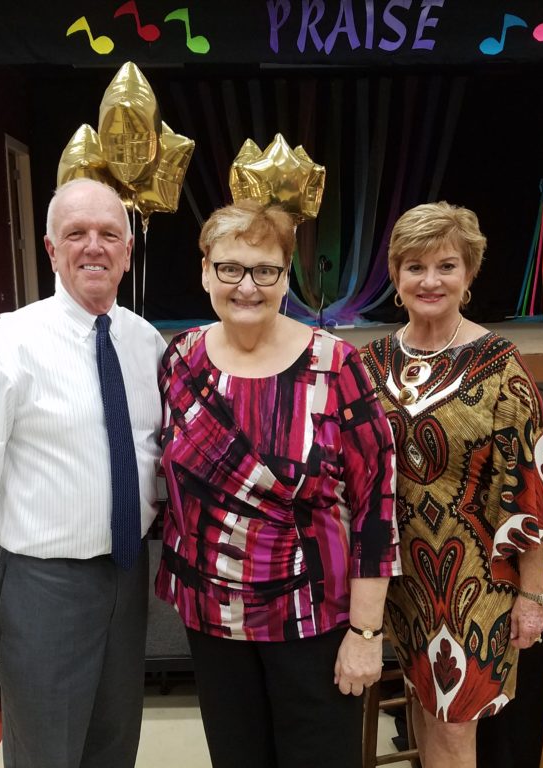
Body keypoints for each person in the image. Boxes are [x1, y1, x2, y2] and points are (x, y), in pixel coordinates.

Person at [0, 178, 165, 767]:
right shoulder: (8, 347)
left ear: (128, 251)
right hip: (45, 587)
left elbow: (154, 455)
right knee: (45, 753)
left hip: (127, 574)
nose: (94, 247)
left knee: (115, 744)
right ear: (52, 250)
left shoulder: (145, 343)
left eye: (109, 234)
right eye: (76, 234)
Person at [155, 200, 401, 768]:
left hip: (313, 622)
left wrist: (366, 634)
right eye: (230, 268)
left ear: (286, 278)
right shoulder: (181, 360)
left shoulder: (335, 366)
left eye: (265, 270)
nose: (247, 286)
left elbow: (376, 506)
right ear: (205, 271)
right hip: (213, 621)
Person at [356, 202, 543, 768]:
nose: (430, 281)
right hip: (400, 580)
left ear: (468, 274)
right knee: (424, 708)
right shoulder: (371, 363)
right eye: (415, 267)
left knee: (454, 727)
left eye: (446, 266)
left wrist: (533, 595)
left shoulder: (499, 365)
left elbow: (531, 489)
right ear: (395, 275)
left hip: (476, 583)